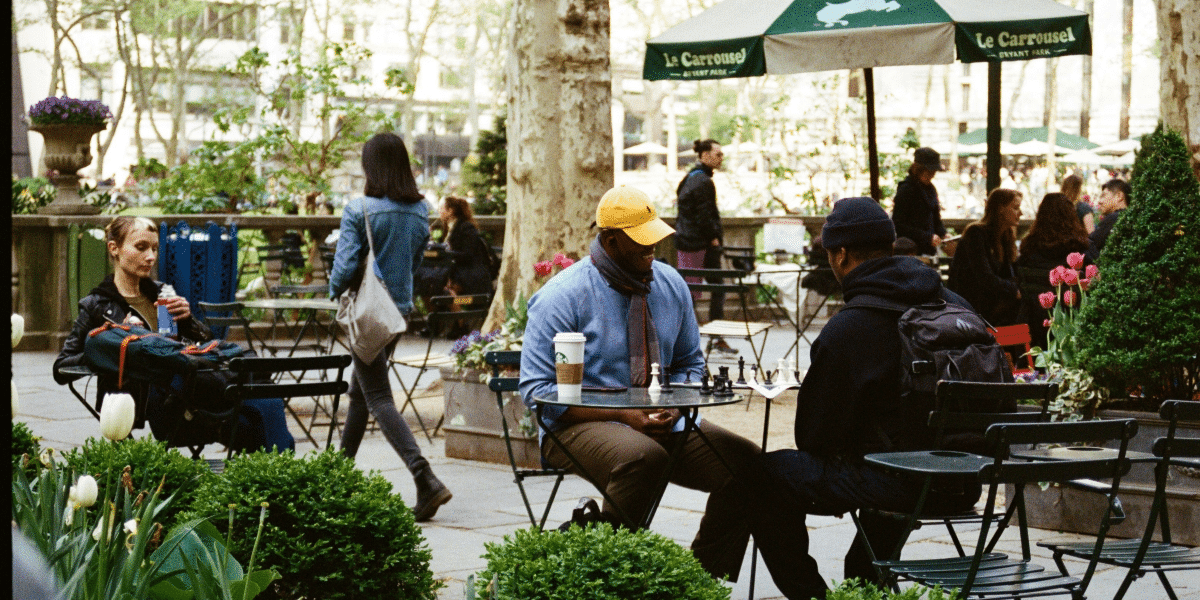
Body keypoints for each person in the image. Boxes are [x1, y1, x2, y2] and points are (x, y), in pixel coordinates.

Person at [690, 197, 979, 599]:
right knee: (890, 463)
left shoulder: (852, 325)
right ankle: (864, 580)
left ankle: (810, 595)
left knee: (760, 475)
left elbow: (814, 438)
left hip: (901, 482)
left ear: (840, 255)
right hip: (966, 480)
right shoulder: (959, 306)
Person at [519, 185, 759, 530]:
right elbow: (536, 391)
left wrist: (675, 407)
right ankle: (609, 561)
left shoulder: (670, 284)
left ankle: (704, 575)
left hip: (662, 419)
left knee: (746, 464)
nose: (652, 247)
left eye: (654, 236)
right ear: (610, 239)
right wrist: (626, 415)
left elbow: (690, 364)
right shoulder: (561, 297)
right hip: (574, 425)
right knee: (642, 457)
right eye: (639, 239)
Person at [329, 132, 452, 521]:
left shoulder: (359, 209)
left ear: (371, 167)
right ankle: (335, 477)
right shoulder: (419, 211)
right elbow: (415, 263)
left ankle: (425, 477)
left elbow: (346, 267)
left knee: (378, 396)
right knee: (361, 393)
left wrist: (334, 289)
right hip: (397, 314)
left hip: (367, 314)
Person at [53, 216, 214, 427]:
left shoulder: (162, 295)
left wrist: (189, 320)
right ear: (114, 248)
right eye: (141, 247)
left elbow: (205, 343)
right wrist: (110, 341)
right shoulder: (97, 304)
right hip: (131, 403)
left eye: (155, 249)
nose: (150, 257)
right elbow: (61, 369)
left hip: (181, 398)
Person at [675, 139, 734, 354]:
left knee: (697, 291)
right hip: (698, 244)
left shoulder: (691, 178)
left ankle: (707, 338)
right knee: (700, 291)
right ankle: (701, 339)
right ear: (705, 155)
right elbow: (704, 215)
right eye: (717, 154)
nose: (721, 158)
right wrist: (713, 239)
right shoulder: (702, 181)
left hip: (689, 242)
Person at [1016, 193, 1096, 350]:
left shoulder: (1028, 250)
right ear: (1072, 217)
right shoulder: (1083, 248)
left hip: (1035, 327)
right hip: (1075, 323)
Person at [947, 188, 1024, 327]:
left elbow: (1010, 274)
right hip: (970, 308)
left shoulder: (1005, 237)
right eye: (1016, 207)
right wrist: (1014, 290)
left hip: (989, 306)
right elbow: (984, 277)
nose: (1021, 213)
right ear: (1001, 208)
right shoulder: (975, 233)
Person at [440, 196, 495, 297]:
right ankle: (455, 309)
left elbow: (468, 255)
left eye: (441, 208)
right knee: (433, 288)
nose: (439, 212)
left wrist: (447, 254)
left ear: (450, 211)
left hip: (470, 279)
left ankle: (458, 310)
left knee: (445, 294)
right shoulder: (450, 229)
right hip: (459, 275)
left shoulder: (466, 227)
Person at [1089, 178, 1131, 254]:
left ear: (1119, 196)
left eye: (1103, 196)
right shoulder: (1129, 217)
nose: (1099, 201)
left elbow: (1091, 244)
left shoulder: (1114, 218)